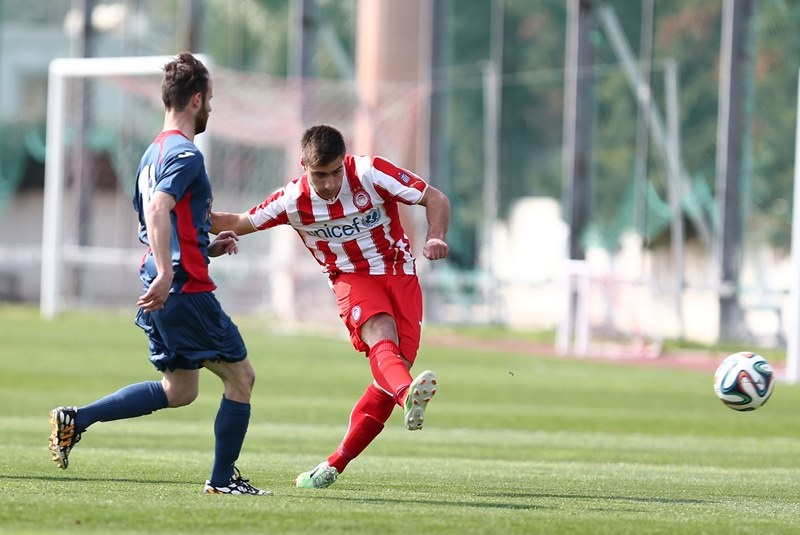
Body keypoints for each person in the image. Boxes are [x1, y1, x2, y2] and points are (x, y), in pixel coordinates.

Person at [48, 52, 270, 496]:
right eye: (210, 100)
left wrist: (205, 247)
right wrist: (172, 272)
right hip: (181, 287)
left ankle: (78, 418)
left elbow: (154, 225)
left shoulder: (152, 154)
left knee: (181, 389)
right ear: (196, 98)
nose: (211, 109)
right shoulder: (186, 154)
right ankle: (223, 481)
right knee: (241, 378)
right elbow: (157, 209)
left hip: (162, 280)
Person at [211, 124, 450, 489]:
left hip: (399, 272)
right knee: (381, 333)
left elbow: (436, 198)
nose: (328, 183)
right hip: (350, 277)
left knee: (389, 375)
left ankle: (333, 466)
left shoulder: (370, 172)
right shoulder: (292, 200)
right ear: (303, 164)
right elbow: (235, 222)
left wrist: (435, 236)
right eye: (319, 175)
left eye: (336, 172)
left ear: (345, 161)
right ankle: (408, 396)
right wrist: (175, 207)